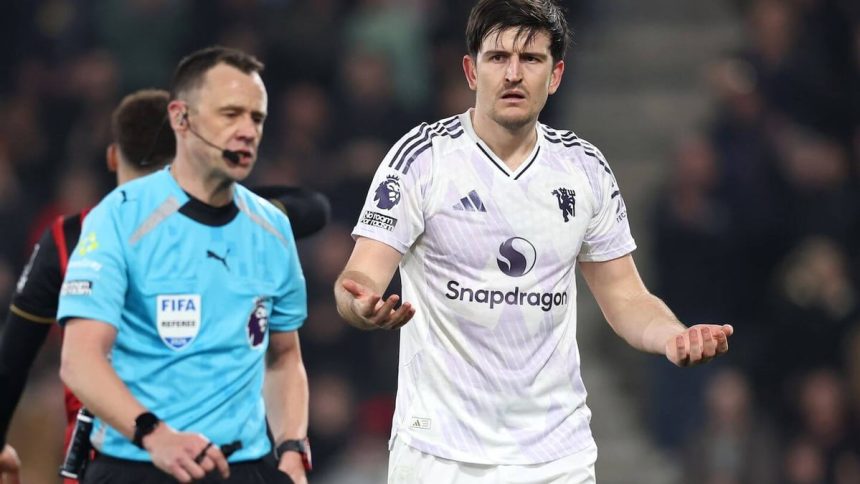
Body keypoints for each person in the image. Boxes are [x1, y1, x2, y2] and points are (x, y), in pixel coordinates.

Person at [333, 1, 734, 482]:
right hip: (440, 453)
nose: (513, 74)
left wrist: (673, 336)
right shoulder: (422, 159)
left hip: (556, 456)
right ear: (471, 71)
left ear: (555, 74)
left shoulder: (584, 169)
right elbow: (360, 275)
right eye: (498, 57)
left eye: (531, 59)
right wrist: (361, 305)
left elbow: (626, 297)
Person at [0, 88, 328, 483]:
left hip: (110, 462)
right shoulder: (243, 224)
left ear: (112, 157)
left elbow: (12, 360)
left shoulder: (71, 237)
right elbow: (313, 208)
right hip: (220, 461)